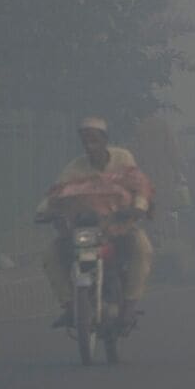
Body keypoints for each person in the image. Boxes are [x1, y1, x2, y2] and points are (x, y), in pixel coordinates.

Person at [38, 117, 155, 328]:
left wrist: (138, 208)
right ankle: (70, 306)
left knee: (142, 247)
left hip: (117, 225)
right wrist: (44, 212)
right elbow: (56, 193)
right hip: (84, 231)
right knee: (51, 253)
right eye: (85, 139)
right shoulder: (75, 167)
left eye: (94, 138)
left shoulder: (123, 158)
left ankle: (129, 307)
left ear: (104, 140)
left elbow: (139, 186)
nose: (89, 143)